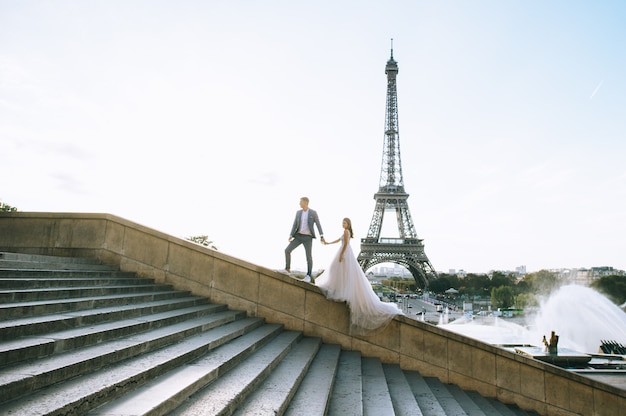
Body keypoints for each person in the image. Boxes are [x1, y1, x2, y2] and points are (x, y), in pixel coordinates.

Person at [316, 217, 402, 335]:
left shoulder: (346, 232)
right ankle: (343, 290)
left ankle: (340, 290)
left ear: (348, 224)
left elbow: (345, 244)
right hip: (346, 252)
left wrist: (341, 254)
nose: (343, 224)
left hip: (345, 253)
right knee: (343, 274)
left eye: (345, 222)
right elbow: (339, 240)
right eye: (342, 222)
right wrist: (328, 243)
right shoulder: (345, 232)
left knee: (339, 273)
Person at [284, 197, 325, 283]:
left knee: (308, 257)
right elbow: (294, 224)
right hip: (298, 236)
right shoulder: (298, 213)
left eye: (301, 202)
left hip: (308, 238)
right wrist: (291, 235)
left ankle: (308, 275)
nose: (299, 204)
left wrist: (321, 235)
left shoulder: (313, 213)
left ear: (306, 203)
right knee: (287, 250)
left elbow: (318, 224)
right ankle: (287, 269)